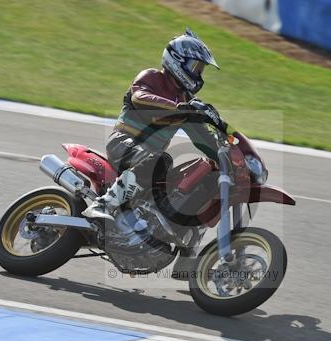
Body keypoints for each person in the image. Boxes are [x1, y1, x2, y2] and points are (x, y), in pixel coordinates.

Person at [82, 28, 229, 220]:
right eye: (195, 67)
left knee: (182, 177)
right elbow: (140, 97)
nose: (199, 74)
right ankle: (103, 204)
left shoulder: (185, 100)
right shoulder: (152, 77)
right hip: (124, 143)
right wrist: (180, 108)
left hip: (150, 157)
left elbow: (202, 138)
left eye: (200, 69)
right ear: (177, 61)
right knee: (161, 160)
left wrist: (226, 155)